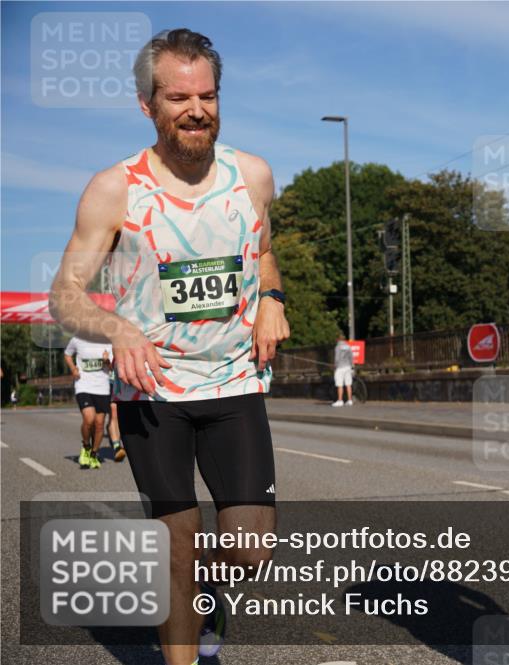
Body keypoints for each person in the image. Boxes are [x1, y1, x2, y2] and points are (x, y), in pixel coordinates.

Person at [50, 28, 290, 665]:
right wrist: (119, 328)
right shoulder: (115, 189)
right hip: (151, 388)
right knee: (175, 544)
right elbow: (65, 294)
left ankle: (201, 586)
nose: (196, 109)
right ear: (147, 104)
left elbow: (263, 253)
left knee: (250, 552)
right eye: (179, 96)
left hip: (236, 383)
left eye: (207, 95)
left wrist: (272, 299)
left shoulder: (254, 175)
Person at [63, 335, 113, 469]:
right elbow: (67, 354)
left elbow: (112, 367)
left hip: (102, 388)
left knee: (99, 424)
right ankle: (86, 446)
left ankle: (94, 454)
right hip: (83, 385)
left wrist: (107, 361)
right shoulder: (77, 339)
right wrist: (73, 368)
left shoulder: (107, 341)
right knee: (89, 419)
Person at [331, 334, 354, 406]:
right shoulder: (348, 346)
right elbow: (351, 357)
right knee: (348, 384)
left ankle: (340, 400)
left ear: (338, 339)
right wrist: (351, 365)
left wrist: (335, 366)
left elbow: (337, 358)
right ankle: (350, 400)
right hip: (348, 367)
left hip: (340, 367)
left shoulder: (338, 347)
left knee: (339, 384)